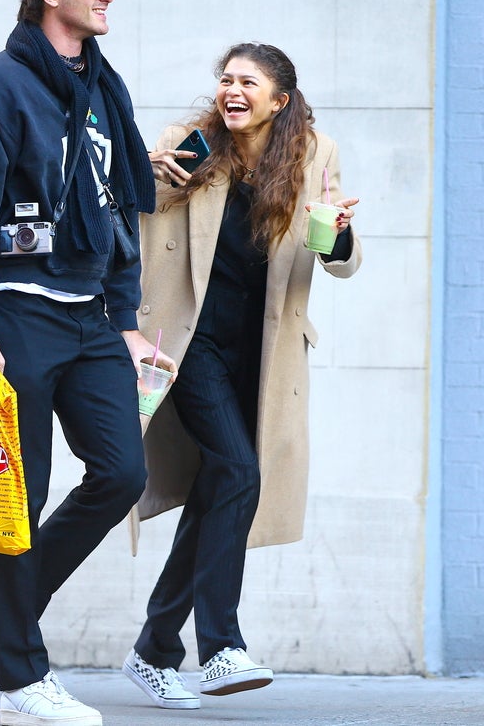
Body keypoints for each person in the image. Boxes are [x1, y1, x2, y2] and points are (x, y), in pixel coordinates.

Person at [0, 0, 175, 724]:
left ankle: (9, 602)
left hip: (90, 317)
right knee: (21, 496)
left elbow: (118, 211)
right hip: (17, 313)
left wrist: (129, 322)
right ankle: (21, 684)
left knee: (121, 471)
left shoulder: (104, 88)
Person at [122, 42, 363, 709]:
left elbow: (332, 253)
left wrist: (336, 232)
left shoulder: (315, 156)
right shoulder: (192, 144)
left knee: (219, 488)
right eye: (225, 79)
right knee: (236, 472)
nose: (231, 90)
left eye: (246, 82)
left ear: (279, 99)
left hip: (263, 348)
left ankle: (153, 649)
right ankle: (221, 646)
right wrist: (146, 175)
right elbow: (138, 211)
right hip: (189, 341)